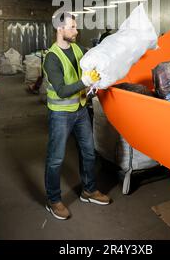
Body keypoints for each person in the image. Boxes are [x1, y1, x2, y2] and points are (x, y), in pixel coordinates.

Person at [43, 12, 110, 220]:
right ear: (60, 29)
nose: (76, 30)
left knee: (89, 152)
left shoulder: (79, 49)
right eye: (72, 27)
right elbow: (62, 90)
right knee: (56, 159)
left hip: (80, 110)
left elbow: (93, 64)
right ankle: (53, 200)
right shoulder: (51, 58)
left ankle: (88, 190)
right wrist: (86, 81)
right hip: (60, 114)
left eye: (75, 26)